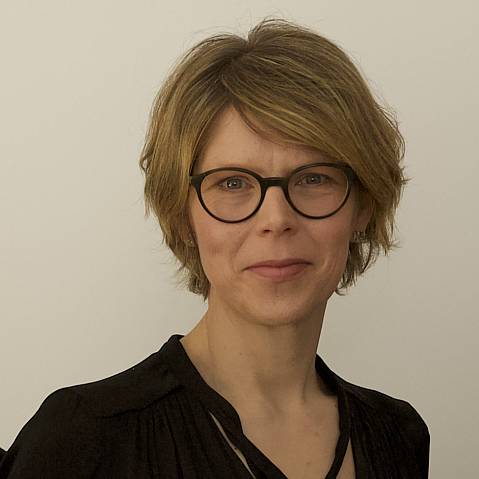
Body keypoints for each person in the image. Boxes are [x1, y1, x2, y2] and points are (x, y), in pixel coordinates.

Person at [0, 17, 430, 478]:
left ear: (363, 204)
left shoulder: (397, 435)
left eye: (313, 179)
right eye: (232, 183)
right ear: (182, 214)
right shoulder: (83, 439)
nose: (276, 219)